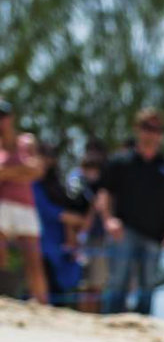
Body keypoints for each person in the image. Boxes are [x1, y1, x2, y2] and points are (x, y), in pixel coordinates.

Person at [96, 108, 164, 315]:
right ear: (137, 129)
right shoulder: (120, 161)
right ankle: (109, 324)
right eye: (147, 127)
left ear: (161, 134)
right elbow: (105, 193)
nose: (151, 133)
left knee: (147, 288)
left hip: (155, 234)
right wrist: (109, 219)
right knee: (118, 281)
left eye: (156, 129)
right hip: (124, 230)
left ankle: (141, 330)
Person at [0, 102, 49, 303]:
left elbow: (38, 170)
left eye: (3, 114)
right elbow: (29, 171)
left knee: (34, 261)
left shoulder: (26, 141)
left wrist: (8, 174)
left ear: (11, 117)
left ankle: (44, 305)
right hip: (2, 205)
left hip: (26, 207)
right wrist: (23, 172)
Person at [32, 143, 87, 306]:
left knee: (60, 287)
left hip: (60, 243)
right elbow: (44, 209)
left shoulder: (56, 183)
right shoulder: (33, 184)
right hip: (41, 240)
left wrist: (71, 223)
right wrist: (67, 217)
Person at [69, 144, 108, 312]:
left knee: (96, 284)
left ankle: (92, 317)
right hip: (83, 237)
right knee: (85, 284)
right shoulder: (77, 182)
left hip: (99, 238)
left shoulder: (102, 185)